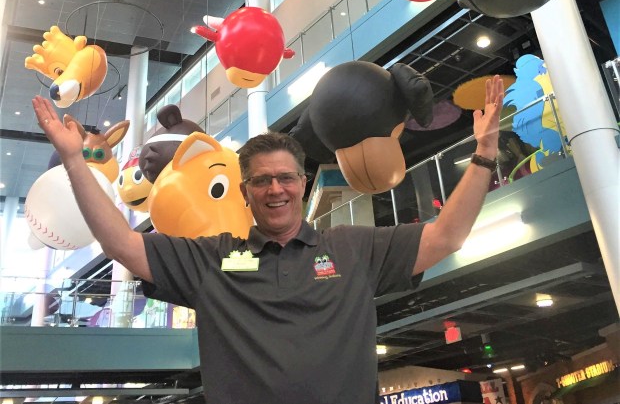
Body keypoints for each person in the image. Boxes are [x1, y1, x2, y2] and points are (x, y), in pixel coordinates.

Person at [32, 75, 505, 404]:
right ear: (245, 192)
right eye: (262, 181)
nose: (275, 189)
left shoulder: (353, 248)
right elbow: (122, 246)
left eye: (285, 178)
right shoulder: (213, 259)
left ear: (302, 183)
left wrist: (484, 153)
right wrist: (76, 161)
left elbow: (448, 235)